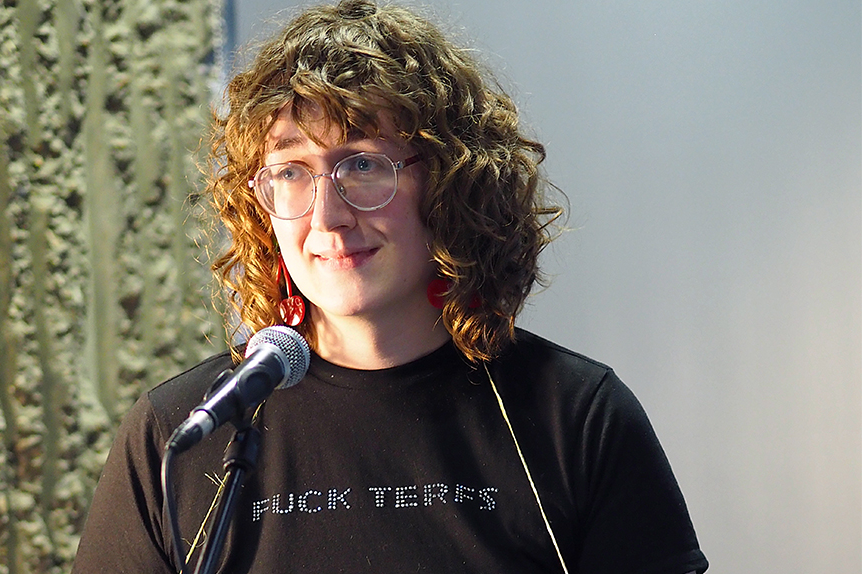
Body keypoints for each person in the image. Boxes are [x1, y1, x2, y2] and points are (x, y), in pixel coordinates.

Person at [72, 1, 708, 573]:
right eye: (291, 172)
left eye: (364, 163)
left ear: (452, 185)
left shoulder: (576, 416)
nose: (327, 217)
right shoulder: (177, 435)